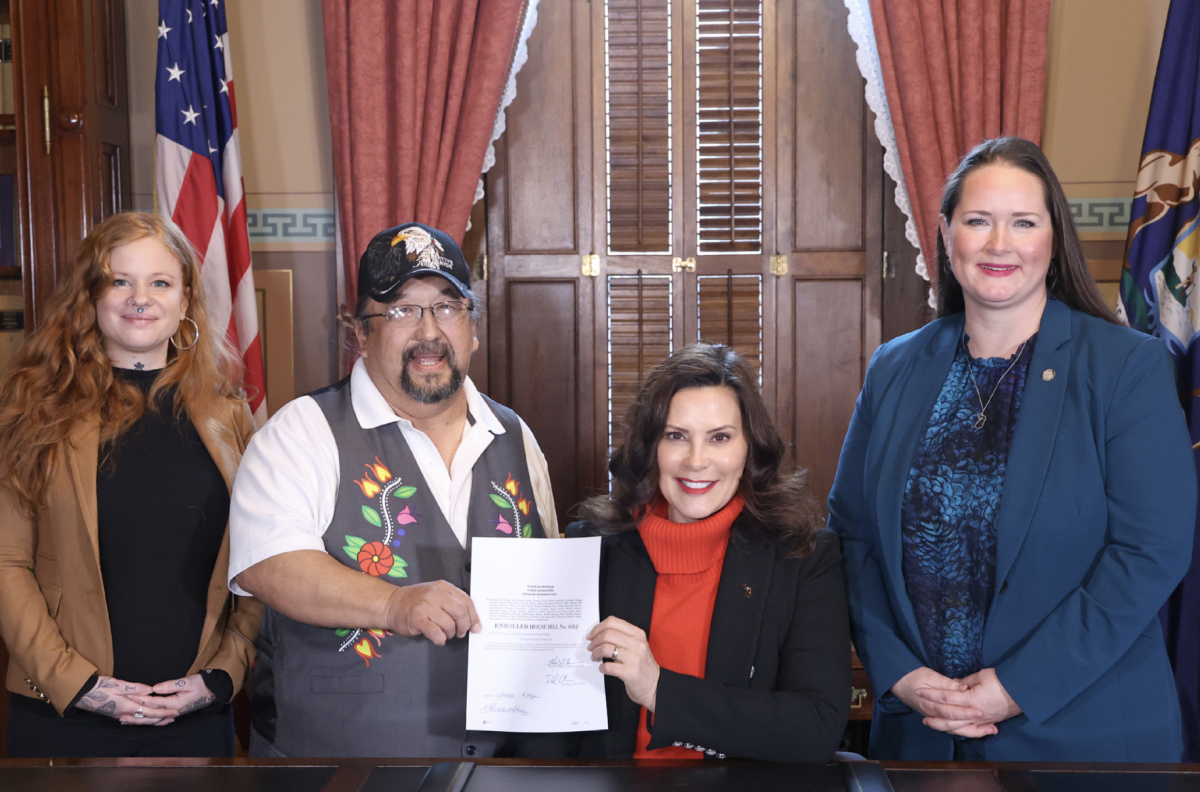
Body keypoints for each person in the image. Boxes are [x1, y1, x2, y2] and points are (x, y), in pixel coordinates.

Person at [829, 137, 1196, 762]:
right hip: (924, 733)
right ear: (947, 235)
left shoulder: (1123, 367)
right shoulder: (894, 367)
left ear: (1053, 239)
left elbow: (1149, 553)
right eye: (978, 221)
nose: (1000, 245)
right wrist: (897, 674)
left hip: (1082, 737)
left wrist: (1016, 687)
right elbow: (852, 537)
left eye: (1023, 222)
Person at [228, 222, 559, 758]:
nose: (429, 332)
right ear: (359, 332)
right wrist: (392, 604)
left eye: (448, 307)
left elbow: (549, 573)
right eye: (402, 310)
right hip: (337, 768)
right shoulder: (302, 430)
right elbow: (265, 565)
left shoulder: (516, 435)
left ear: (472, 326)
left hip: (502, 766)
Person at [0, 212, 262, 757]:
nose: (139, 298)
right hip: (63, 718)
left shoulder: (230, 417)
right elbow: (7, 564)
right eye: (120, 281)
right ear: (91, 296)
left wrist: (222, 676)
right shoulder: (32, 409)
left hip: (194, 720)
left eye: (160, 283)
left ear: (185, 300)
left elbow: (261, 565)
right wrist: (80, 686)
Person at [541, 343, 849, 763]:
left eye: (720, 437)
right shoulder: (591, 547)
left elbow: (815, 727)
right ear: (651, 448)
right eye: (676, 436)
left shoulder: (803, 555)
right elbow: (548, 725)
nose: (697, 461)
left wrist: (658, 689)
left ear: (749, 448)